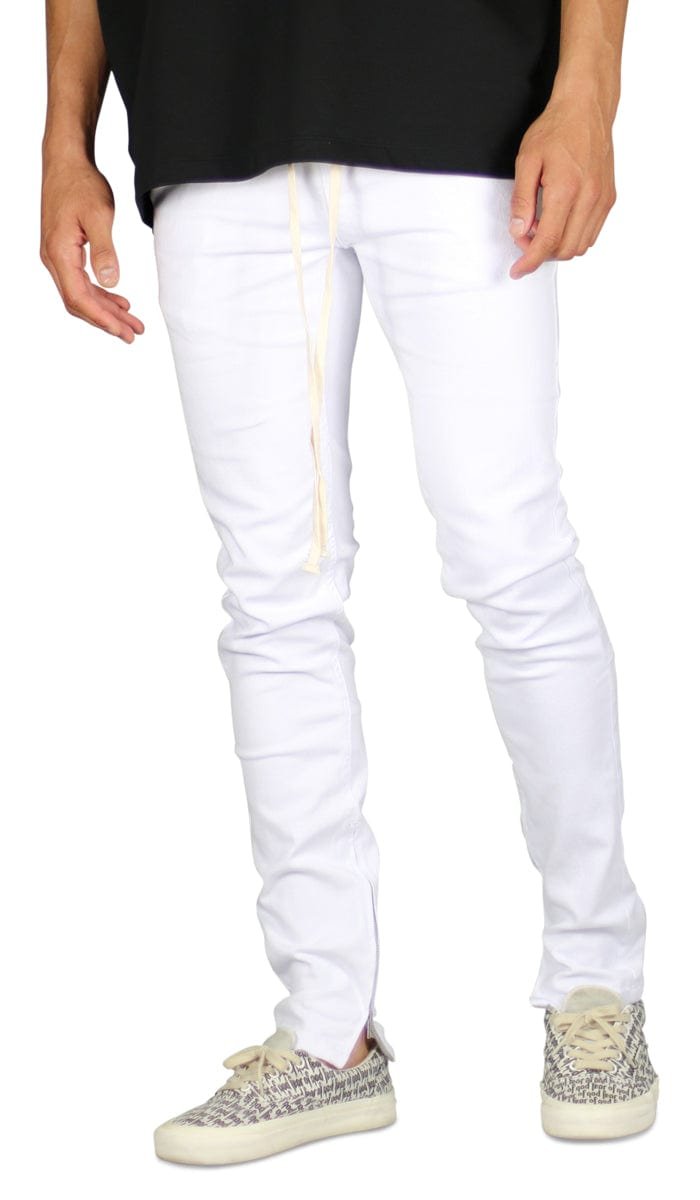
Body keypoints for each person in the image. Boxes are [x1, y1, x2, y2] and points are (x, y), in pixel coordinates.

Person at [40, 0, 658, 1161]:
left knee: (512, 557)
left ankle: (596, 986)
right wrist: (64, 139)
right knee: (271, 595)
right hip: (210, 113)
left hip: (463, 96)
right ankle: (328, 1036)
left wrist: (588, 90)